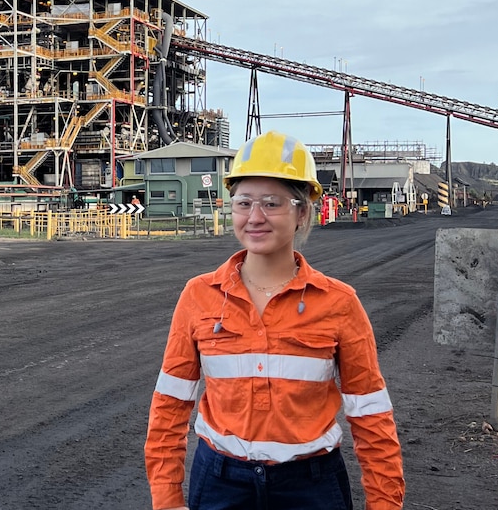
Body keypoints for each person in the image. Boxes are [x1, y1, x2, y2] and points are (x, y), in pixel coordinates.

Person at [144, 131, 404, 510]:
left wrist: (385, 503)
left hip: (311, 488)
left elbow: (370, 413)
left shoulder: (339, 303)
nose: (255, 217)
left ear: (302, 212)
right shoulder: (198, 296)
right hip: (220, 484)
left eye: (271, 203)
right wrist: (166, 498)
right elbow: (170, 403)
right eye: (243, 202)